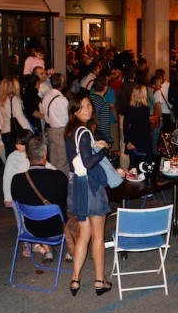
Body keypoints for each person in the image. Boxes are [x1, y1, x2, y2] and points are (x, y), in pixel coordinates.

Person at [65, 93, 113, 297]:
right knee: (98, 237)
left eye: (88, 106)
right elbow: (88, 162)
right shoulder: (84, 132)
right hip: (91, 188)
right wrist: (104, 149)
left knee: (84, 235)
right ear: (75, 111)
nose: (88, 109)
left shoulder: (70, 132)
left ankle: (75, 280)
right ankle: (100, 281)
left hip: (76, 186)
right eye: (82, 107)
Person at [11, 136, 71, 263]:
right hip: (57, 229)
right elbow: (68, 203)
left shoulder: (16, 180)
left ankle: (48, 250)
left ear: (27, 155)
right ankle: (71, 251)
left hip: (33, 230)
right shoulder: (59, 177)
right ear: (45, 154)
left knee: (38, 208)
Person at [41, 73, 69, 174]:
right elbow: (66, 118)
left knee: (53, 160)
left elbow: (45, 117)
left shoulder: (46, 97)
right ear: (62, 83)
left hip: (51, 130)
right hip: (60, 131)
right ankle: (63, 183)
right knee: (63, 161)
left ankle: (54, 180)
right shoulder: (62, 99)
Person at [0, 76, 31, 156]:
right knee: (20, 158)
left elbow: (1, 120)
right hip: (15, 134)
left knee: (10, 159)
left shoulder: (1, 100)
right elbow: (20, 118)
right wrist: (30, 131)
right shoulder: (15, 99)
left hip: (5, 133)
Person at [122, 84, 152, 170]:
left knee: (133, 165)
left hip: (132, 139)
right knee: (144, 166)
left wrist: (127, 141)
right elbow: (145, 128)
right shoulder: (145, 109)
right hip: (143, 141)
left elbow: (125, 126)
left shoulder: (128, 108)